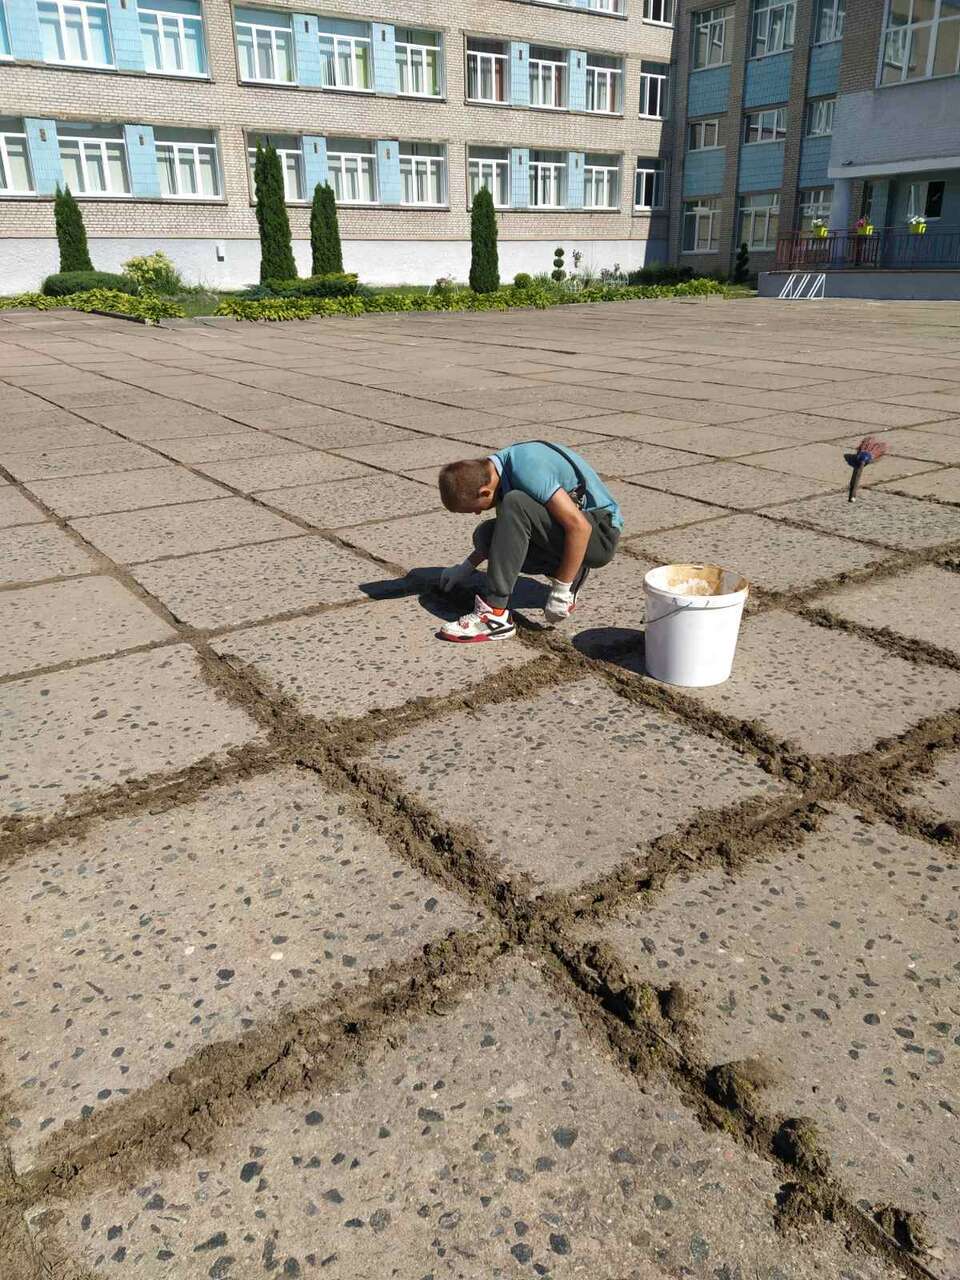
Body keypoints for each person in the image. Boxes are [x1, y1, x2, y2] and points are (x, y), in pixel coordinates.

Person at [434, 440, 622, 643]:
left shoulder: (527, 470)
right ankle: (572, 568)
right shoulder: (497, 470)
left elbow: (580, 527)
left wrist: (561, 591)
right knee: (485, 536)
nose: (477, 513)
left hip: (601, 535)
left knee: (515, 502)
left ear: (484, 492)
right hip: (574, 531)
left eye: (474, 508)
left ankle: (495, 615)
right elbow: (505, 536)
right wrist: (465, 567)